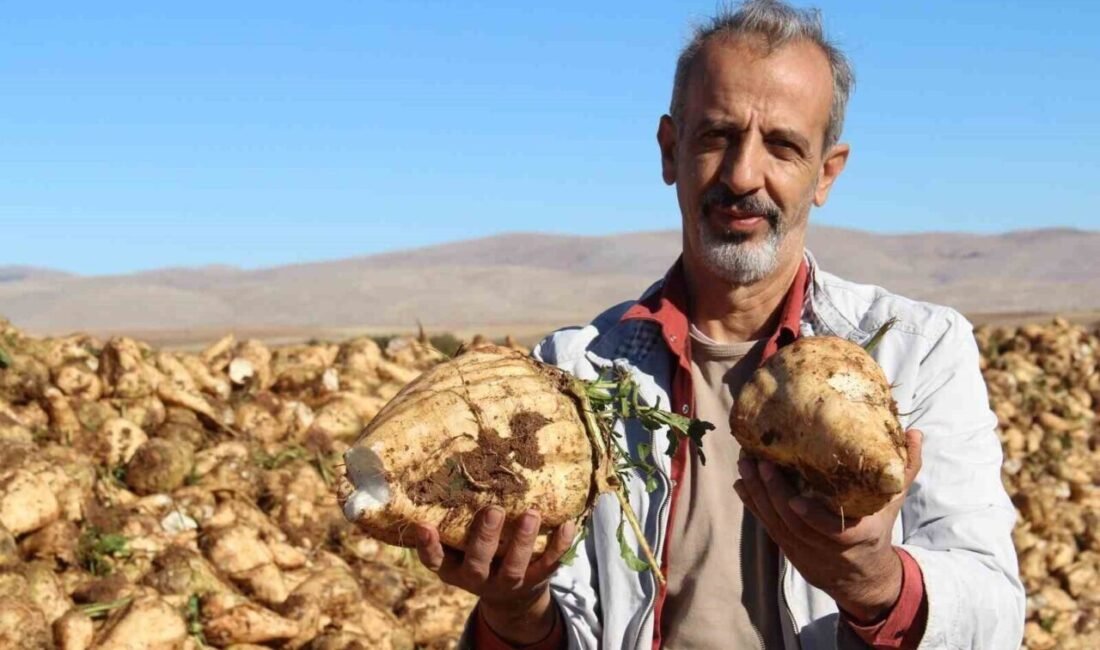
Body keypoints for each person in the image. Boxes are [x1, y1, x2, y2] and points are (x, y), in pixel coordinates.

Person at [414, 1, 1025, 648]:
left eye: (783, 147)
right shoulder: (573, 374)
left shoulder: (918, 350)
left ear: (826, 173)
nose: (741, 175)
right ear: (670, 151)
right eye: (716, 137)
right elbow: (566, 624)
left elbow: (993, 611)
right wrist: (515, 610)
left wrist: (876, 583)